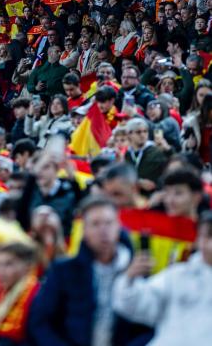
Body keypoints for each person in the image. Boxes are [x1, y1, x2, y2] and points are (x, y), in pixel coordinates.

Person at [29, 195, 141, 346]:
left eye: (109, 223)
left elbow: (148, 326)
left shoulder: (136, 270)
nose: (103, 230)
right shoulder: (63, 270)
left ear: (119, 225)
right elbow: (40, 322)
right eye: (95, 224)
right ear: (84, 230)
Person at [112, 211, 212, 345]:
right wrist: (129, 279)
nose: (207, 243)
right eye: (204, 236)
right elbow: (137, 304)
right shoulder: (179, 275)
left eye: (210, 236)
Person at [124, 118, 168, 191]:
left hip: (154, 194)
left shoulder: (156, 152)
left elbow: (167, 174)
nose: (143, 135)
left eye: (145, 131)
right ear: (129, 134)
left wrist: (168, 150)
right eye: (138, 132)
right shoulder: (127, 154)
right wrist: (138, 182)